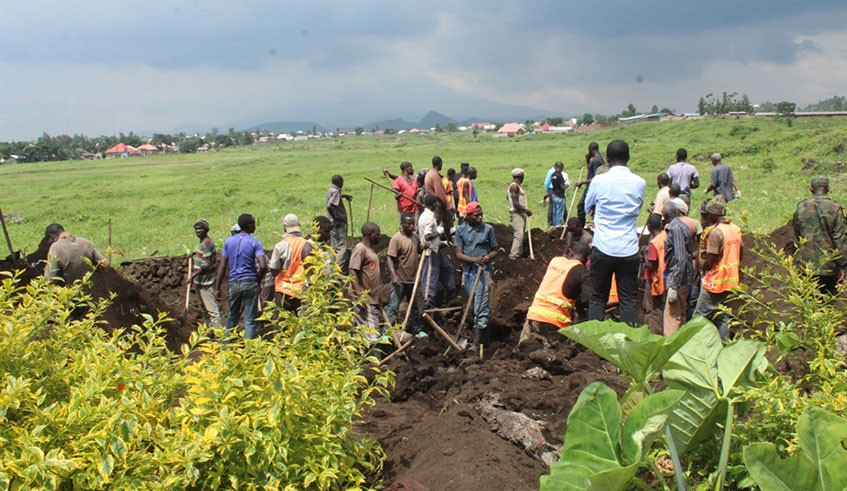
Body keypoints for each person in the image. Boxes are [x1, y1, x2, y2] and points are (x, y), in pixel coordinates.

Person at [584, 140, 645, 325]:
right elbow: (638, 207)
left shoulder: (599, 180)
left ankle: (592, 348)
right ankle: (627, 343)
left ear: (607, 159)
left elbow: (588, 207)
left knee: (597, 298)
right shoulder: (639, 182)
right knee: (628, 300)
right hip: (628, 248)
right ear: (628, 158)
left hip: (603, 247)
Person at [520, 242, 591, 345]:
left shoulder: (555, 261)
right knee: (554, 355)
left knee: (522, 350)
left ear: (570, 252)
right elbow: (587, 300)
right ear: (587, 258)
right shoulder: (582, 272)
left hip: (534, 315)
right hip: (556, 322)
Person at [695, 196, 742, 340]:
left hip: (715, 281)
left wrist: (702, 264)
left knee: (698, 317)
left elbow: (712, 258)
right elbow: (741, 253)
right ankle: (724, 345)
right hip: (731, 280)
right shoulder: (736, 229)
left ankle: (694, 347)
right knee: (723, 316)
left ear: (713, 215)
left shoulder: (716, 232)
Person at [454, 202, 498, 350]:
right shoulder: (460, 231)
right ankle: (486, 336)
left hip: (483, 273)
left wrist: (487, 257)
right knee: (473, 307)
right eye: (476, 216)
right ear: (468, 216)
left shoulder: (488, 230)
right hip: (468, 272)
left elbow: (495, 250)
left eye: (481, 215)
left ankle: (477, 343)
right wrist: (474, 260)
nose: (479, 218)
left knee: (481, 305)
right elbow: (459, 254)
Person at [792, 176, 847, 295]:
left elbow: (797, 232)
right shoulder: (835, 208)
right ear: (827, 189)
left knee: (808, 298)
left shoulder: (801, 207)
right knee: (828, 299)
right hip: (828, 264)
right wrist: (843, 266)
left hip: (806, 264)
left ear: (811, 190)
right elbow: (840, 239)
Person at [216, 213, 267, 340]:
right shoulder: (255, 242)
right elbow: (263, 266)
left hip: (234, 283)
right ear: (249, 226)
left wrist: (217, 287)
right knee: (249, 320)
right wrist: (258, 281)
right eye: (254, 224)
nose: (255, 226)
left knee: (232, 315)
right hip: (250, 282)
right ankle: (248, 352)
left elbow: (222, 266)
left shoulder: (228, 242)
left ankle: (227, 346)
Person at [268, 214, 313, 315]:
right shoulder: (307, 245)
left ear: (285, 227)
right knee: (302, 324)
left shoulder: (281, 245)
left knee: (282, 324)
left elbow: (274, 270)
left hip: (283, 290)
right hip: (302, 290)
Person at [662, 203, 695, 337]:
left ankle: (670, 348)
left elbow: (680, 258)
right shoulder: (682, 226)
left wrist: (674, 285)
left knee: (672, 318)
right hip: (684, 277)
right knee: (680, 314)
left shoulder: (675, 229)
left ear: (664, 216)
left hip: (678, 280)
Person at [385, 215, 422, 334]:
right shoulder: (396, 239)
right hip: (400, 280)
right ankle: (386, 332)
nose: (411, 227)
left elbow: (419, 249)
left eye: (413, 224)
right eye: (408, 224)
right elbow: (390, 258)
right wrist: (394, 275)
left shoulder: (415, 237)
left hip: (413, 280)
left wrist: (424, 246)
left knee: (415, 308)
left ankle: (416, 329)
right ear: (402, 223)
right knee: (393, 307)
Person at [418, 194, 455, 308]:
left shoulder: (428, 215)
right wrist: (439, 232)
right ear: (434, 204)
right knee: (430, 276)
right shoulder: (428, 218)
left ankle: (450, 295)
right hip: (430, 252)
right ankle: (428, 303)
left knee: (447, 269)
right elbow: (428, 236)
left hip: (436, 250)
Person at [349, 222, 383, 344]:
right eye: (377, 234)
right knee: (372, 330)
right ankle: (376, 360)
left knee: (361, 330)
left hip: (371, 297)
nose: (380, 237)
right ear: (369, 235)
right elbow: (353, 270)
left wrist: (378, 297)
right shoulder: (360, 249)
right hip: (365, 298)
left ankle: (358, 357)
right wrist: (359, 295)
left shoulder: (370, 250)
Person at [189, 219, 221, 328]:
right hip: (199, 282)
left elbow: (206, 264)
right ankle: (210, 332)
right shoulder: (202, 242)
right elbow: (205, 255)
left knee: (212, 311)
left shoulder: (207, 243)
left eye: (200, 228)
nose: (198, 231)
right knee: (204, 310)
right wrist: (194, 254)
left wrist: (192, 276)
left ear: (206, 230)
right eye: (196, 229)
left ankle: (219, 335)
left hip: (206, 283)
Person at [643, 213, 666, 334]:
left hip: (654, 280)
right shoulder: (666, 236)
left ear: (649, 227)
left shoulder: (654, 243)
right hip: (666, 277)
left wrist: (644, 255)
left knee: (652, 309)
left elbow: (651, 265)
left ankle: (655, 333)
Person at [575, 142, 606, 227]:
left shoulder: (596, 160)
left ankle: (581, 228)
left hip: (591, 188)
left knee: (580, 207)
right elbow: (591, 170)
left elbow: (597, 177)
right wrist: (587, 161)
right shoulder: (599, 159)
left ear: (591, 150)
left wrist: (582, 182)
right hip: (592, 187)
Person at [326, 174, 353, 268]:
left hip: (331, 224)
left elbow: (334, 199)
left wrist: (344, 196)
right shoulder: (336, 192)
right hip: (339, 223)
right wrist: (336, 218)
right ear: (340, 182)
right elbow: (329, 205)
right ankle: (337, 272)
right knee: (342, 248)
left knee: (334, 247)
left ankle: (330, 269)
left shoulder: (331, 190)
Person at [508, 168, 533, 259]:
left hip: (520, 213)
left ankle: (519, 253)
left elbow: (508, 198)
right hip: (517, 213)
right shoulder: (514, 187)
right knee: (519, 235)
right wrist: (526, 210)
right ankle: (513, 255)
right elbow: (515, 203)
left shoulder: (515, 187)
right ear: (521, 177)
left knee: (521, 234)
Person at [424, 156, 454, 230]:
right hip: (437, 204)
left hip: (431, 202)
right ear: (440, 163)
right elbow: (440, 193)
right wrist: (449, 206)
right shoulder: (435, 176)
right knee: (437, 223)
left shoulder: (429, 173)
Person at [547, 161, 569, 227]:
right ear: (561, 167)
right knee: (559, 212)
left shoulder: (553, 175)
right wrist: (567, 185)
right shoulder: (560, 175)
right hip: (560, 196)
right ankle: (558, 225)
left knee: (554, 211)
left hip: (554, 195)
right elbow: (562, 187)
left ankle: (554, 225)